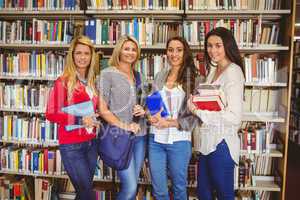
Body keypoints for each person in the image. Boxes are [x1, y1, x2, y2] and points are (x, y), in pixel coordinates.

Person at [188, 27, 245, 200]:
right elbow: (213, 103)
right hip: (207, 143)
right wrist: (196, 99)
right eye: (209, 46)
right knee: (203, 193)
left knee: (224, 195)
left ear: (227, 45)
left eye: (218, 45)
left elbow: (234, 117)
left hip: (222, 144)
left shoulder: (233, 72)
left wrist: (197, 111)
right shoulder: (214, 70)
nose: (213, 50)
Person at [147, 36, 202, 200]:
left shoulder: (195, 79)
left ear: (185, 52)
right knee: (159, 190)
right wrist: (151, 116)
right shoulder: (160, 75)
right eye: (170, 50)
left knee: (179, 188)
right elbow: (154, 102)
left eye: (179, 50)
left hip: (180, 141)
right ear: (166, 53)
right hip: (156, 140)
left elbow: (196, 117)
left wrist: (170, 123)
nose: (174, 54)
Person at [45, 35, 99, 200]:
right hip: (72, 145)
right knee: (87, 194)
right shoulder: (63, 82)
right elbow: (51, 113)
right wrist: (80, 120)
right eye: (78, 53)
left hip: (91, 143)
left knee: (84, 191)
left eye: (86, 53)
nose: (83, 57)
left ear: (92, 57)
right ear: (72, 56)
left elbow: (95, 109)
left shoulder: (92, 81)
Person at [96, 35, 147, 200]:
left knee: (131, 186)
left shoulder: (139, 76)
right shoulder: (107, 74)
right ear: (119, 50)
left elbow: (147, 103)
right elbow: (102, 110)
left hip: (140, 137)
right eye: (126, 48)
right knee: (131, 187)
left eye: (134, 49)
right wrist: (125, 126)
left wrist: (143, 109)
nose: (130, 52)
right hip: (119, 137)